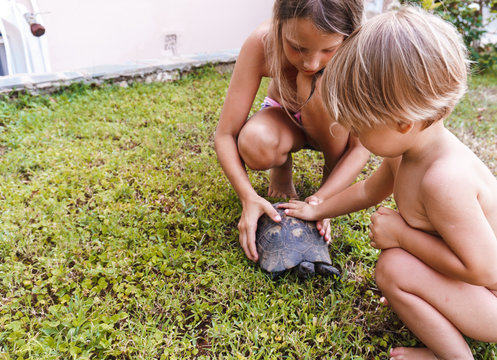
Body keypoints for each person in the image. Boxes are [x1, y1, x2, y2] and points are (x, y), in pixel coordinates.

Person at [279, 6, 497, 360]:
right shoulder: (407, 152)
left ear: (402, 123)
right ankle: (430, 301)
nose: (356, 136)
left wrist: (402, 236)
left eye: (361, 127)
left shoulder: (444, 181)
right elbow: (369, 189)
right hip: (477, 291)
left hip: (491, 300)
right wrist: (316, 207)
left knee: (393, 267)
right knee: (399, 267)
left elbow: (485, 269)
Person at [214, 0, 370, 262]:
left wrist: (325, 201)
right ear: (279, 26)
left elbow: (359, 148)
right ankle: (282, 167)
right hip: (284, 116)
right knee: (254, 143)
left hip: (333, 129)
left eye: (329, 49)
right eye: (297, 48)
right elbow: (225, 134)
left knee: (317, 86)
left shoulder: (360, 53)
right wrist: (248, 197)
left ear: (349, 36)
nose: (311, 62)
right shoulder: (262, 42)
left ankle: (329, 181)